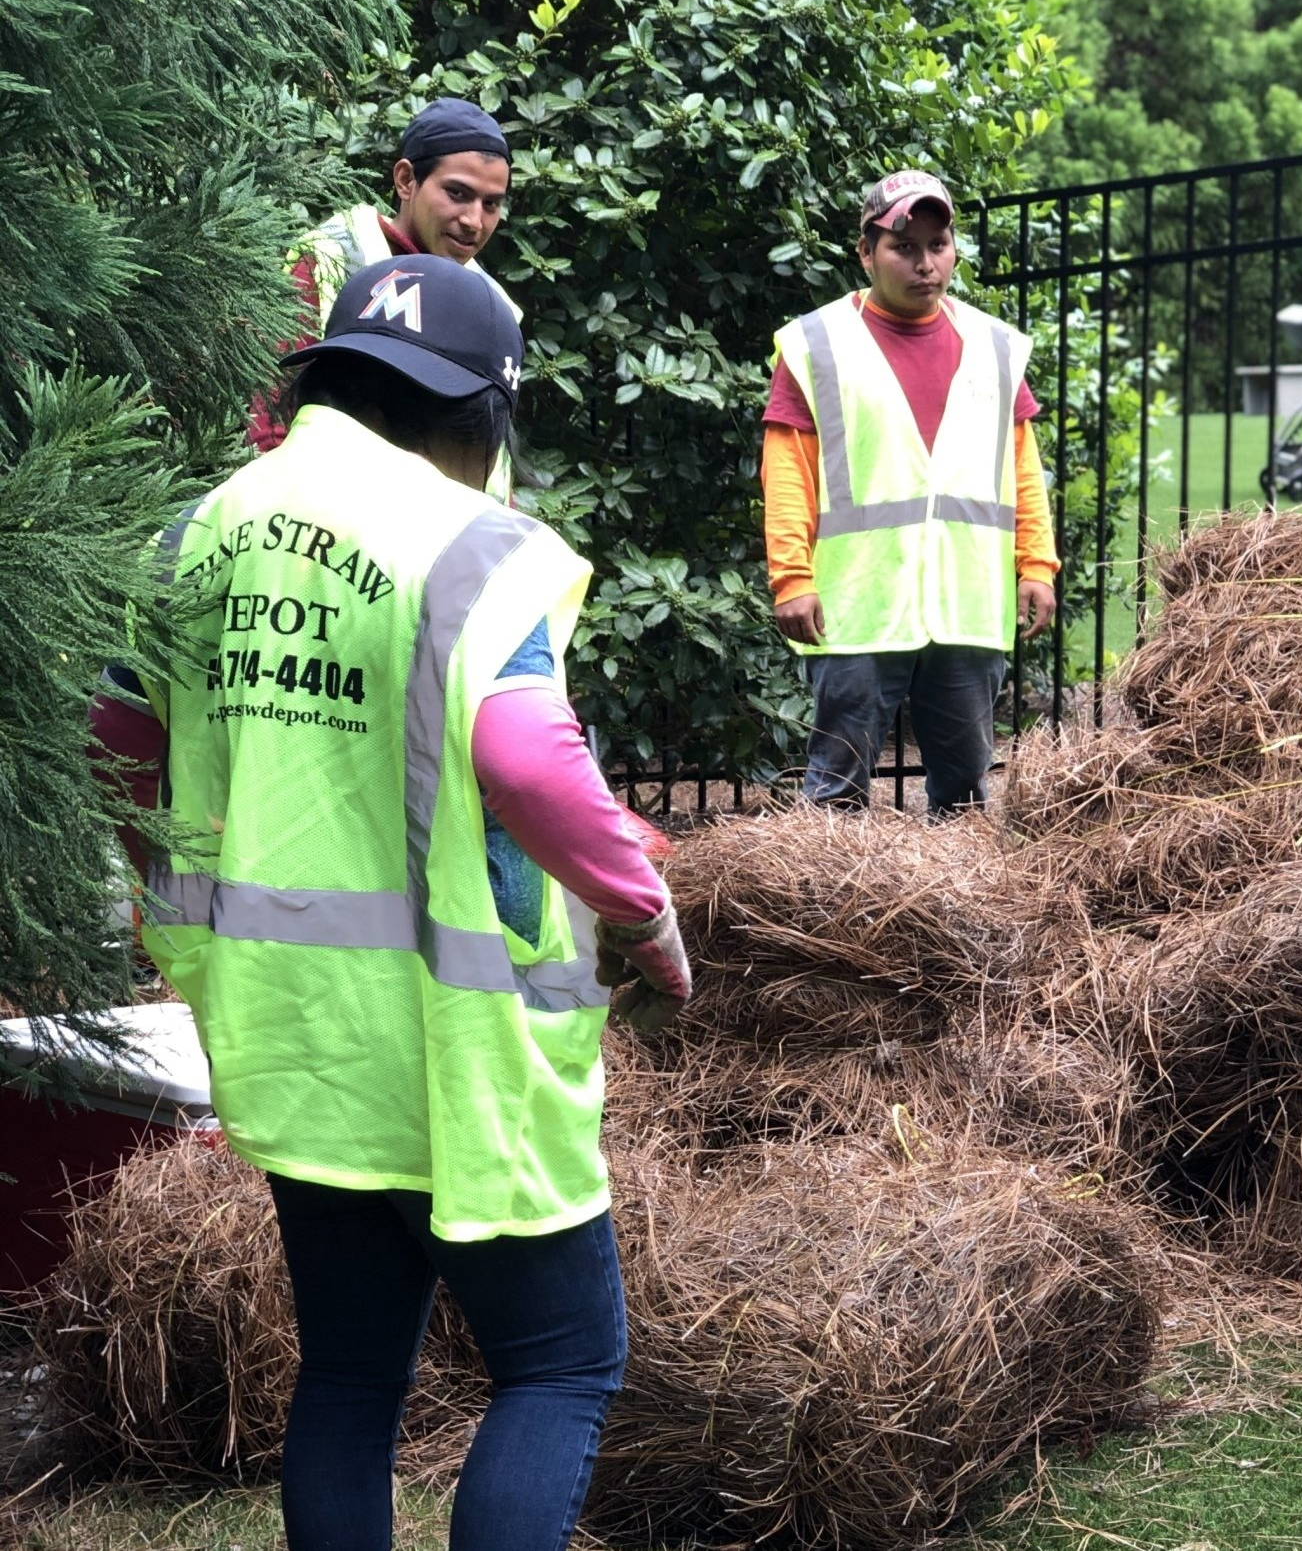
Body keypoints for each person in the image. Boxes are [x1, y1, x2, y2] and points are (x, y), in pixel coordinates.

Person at [90, 255, 689, 1551]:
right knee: (561, 1363)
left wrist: (163, 894)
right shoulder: (471, 545)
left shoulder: (199, 530)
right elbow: (532, 762)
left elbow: (114, 738)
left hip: (293, 1032)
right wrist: (642, 910)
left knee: (352, 1375)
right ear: (477, 418)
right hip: (464, 1045)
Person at [760, 169, 1059, 813]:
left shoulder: (994, 346)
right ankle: (822, 910)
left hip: (966, 603)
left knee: (966, 793)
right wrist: (792, 577)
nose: (925, 263)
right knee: (836, 789)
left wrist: (1036, 565)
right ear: (866, 252)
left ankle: (960, 914)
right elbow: (787, 471)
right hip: (857, 605)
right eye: (904, 247)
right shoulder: (816, 344)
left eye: (938, 244)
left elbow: (1022, 468)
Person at [245, 97, 517, 453]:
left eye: (491, 204)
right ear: (406, 180)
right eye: (457, 193)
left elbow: (494, 457)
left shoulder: (495, 307)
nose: (473, 220)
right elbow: (272, 419)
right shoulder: (334, 258)